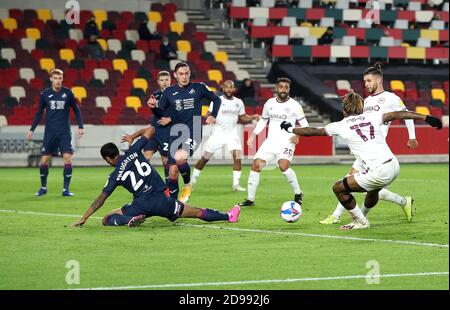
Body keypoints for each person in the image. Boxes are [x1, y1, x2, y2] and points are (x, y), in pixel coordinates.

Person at [281, 91, 442, 230]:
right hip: (393, 165)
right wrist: (426, 117)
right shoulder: (373, 116)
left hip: (379, 170)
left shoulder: (341, 125)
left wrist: (290, 128)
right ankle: (364, 217)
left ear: (344, 109)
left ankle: (361, 221)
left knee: (339, 188)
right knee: (373, 191)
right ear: (361, 107)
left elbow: (313, 131)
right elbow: (399, 114)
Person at [71, 126, 240, 227]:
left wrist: (83, 218)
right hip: (163, 200)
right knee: (196, 212)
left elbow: (100, 200)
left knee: (107, 218)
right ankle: (229, 216)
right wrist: (132, 137)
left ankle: (129, 219)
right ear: (117, 151)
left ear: (107, 159)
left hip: (141, 206)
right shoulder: (134, 150)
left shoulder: (114, 175)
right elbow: (151, 129)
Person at [320, 62, 419, 225]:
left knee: (359, 185)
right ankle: (403, 202)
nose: (365, 84)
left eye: (368, 81)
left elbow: (406, 114)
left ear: (378, 81)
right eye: (364, 81)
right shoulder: (365, 102)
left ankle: (339, 216)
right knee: (366, 187)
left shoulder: (391, 98)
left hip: (377, 151)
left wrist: (412, 137)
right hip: (366, 149)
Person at [130, 62, 221, 203]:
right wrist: (153, 108)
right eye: (181, 74)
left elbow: (217, 99)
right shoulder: (168, 92)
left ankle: (187, 184)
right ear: (175, 75)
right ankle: (172, 205)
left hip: (193, 129)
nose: (184, 77)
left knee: (179, 158)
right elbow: (161, 114)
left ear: (190, 73)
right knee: (172, 172)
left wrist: (213, 114)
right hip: (175, 132)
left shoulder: (199, 87)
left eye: (186, 73)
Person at [238, 77, 309, 207]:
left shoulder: (295, 105)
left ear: (289, 89)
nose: (283, 90)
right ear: (277, 88)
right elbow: (263, 120)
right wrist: (253, 135)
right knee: (256, 165)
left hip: (287, 142)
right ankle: (250, 199)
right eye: (281, 87)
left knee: (283, 166)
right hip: (270, 142)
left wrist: (298, 136)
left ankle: (298, 193)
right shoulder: (269, 103)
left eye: (286, 87)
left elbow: (305, 124)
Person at [189, 80, 261, 192]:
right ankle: (192, 182)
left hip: (232, 134)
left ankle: (236, 185)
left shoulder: (239, 102)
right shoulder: (216, 101)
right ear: (223, 88)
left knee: (237, 157)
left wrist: (251, 117)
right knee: (204, 159)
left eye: (230, 87)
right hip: (218, 134)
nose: (228, 89)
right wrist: (210, 117)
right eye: (226, 87)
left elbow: (243, 117)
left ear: (234, 89)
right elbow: (208, 114)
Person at [27, 68, 85, 197]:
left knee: (67, 158)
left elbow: (76, 110)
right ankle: (43, 187)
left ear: (62, 79)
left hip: (64, 132)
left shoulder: (68, 93)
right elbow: (38, 113)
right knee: (44, 160)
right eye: (55, 78)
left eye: (60, 78)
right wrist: (32, 129)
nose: (58, 81)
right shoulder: (45, 94)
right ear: (51, 79)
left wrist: (81, 126)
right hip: (50, 133)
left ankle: (65, 189)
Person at [123, 71, 172, 183]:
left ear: (170, 81)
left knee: (166, 162)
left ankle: (168, 187)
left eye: (166, 80)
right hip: (154, 131)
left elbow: (168, 114)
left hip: (167, 132)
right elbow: (156, 112)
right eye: (162, 80)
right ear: (158, 82)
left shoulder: (175, 95)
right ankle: (146, 184)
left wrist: (155, 109)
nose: (164, 82)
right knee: (146, 158)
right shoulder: (155, 95)